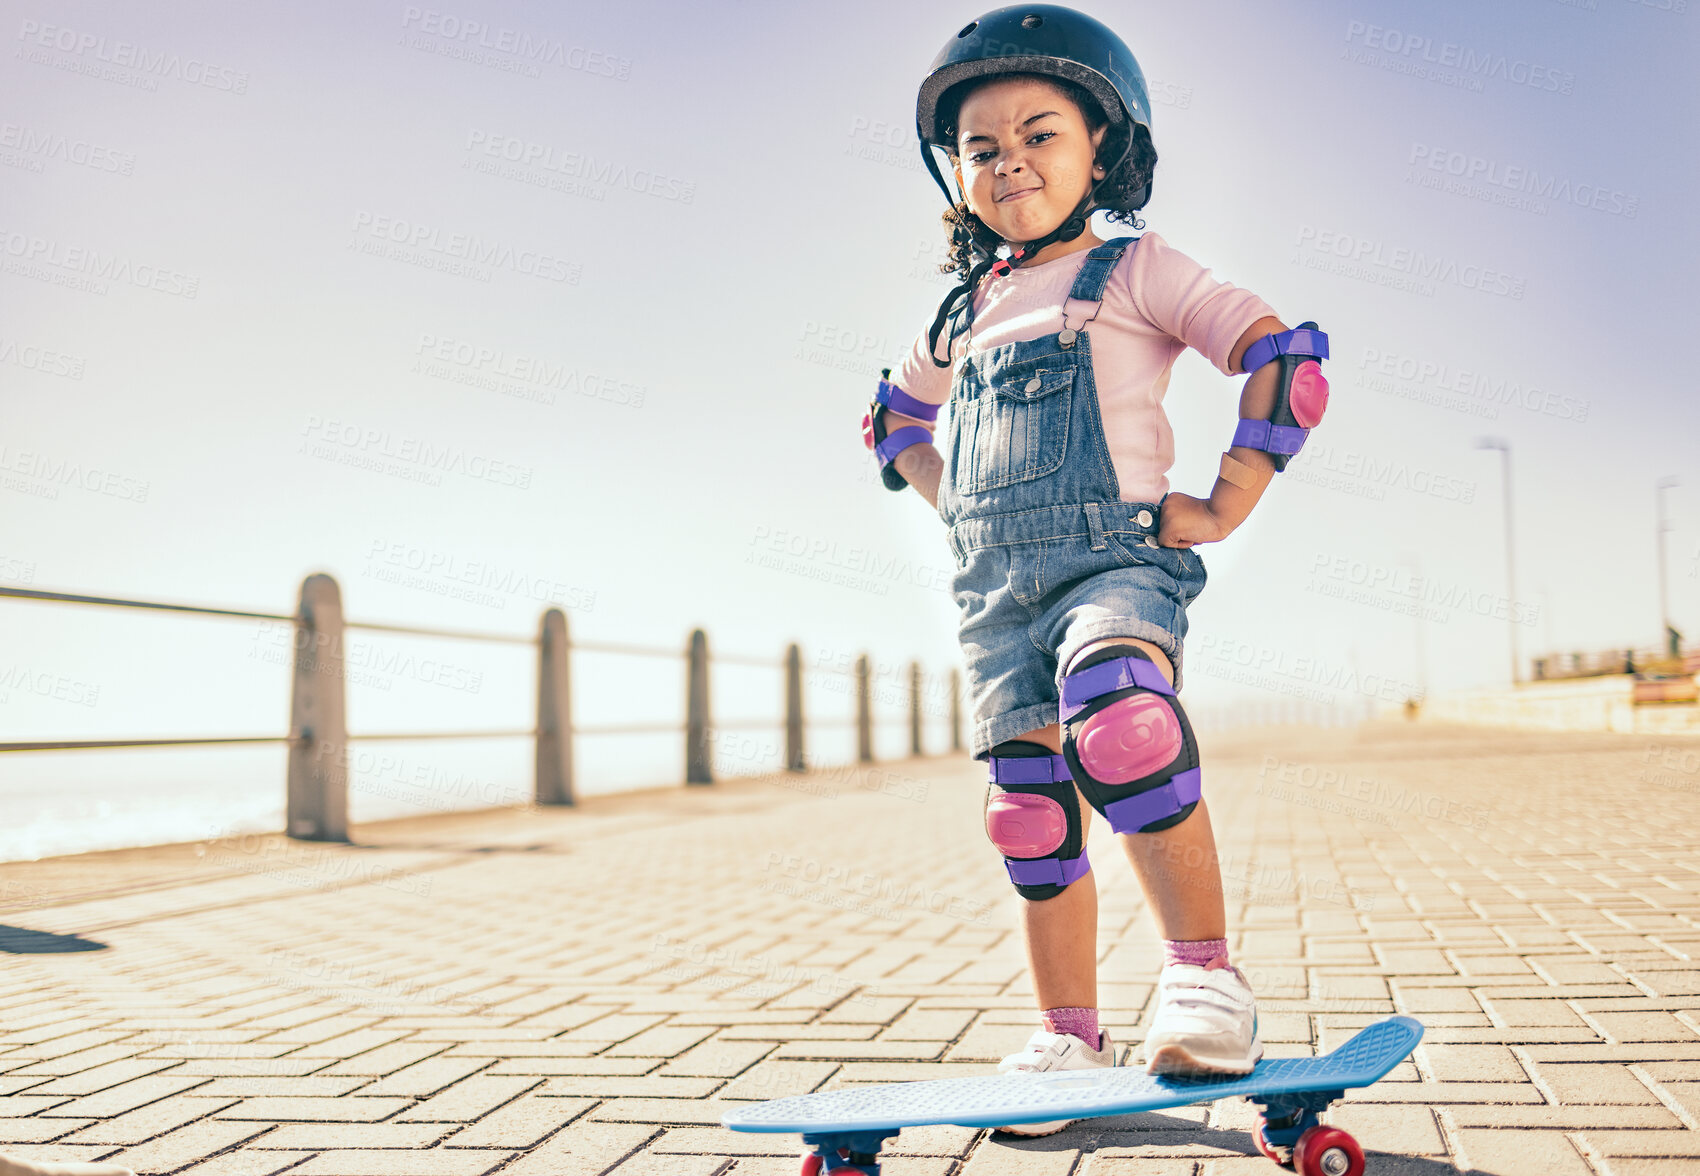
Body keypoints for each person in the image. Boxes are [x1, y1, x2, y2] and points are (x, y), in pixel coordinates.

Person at [861, 3, 1330, 1137]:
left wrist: (1224, 502)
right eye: (981, 148)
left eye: (1039, 134)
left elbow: (1280, 357)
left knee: (1120, 723)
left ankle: (1205, 981)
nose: (1008, 162)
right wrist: (954, 499)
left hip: (1111, 560)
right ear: (955, 172)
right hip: (990, 590)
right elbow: (892, 423)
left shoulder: (1134, 269)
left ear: (1101, 149)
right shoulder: (961, 312)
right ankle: (1067, 1036)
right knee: (1026, 814)